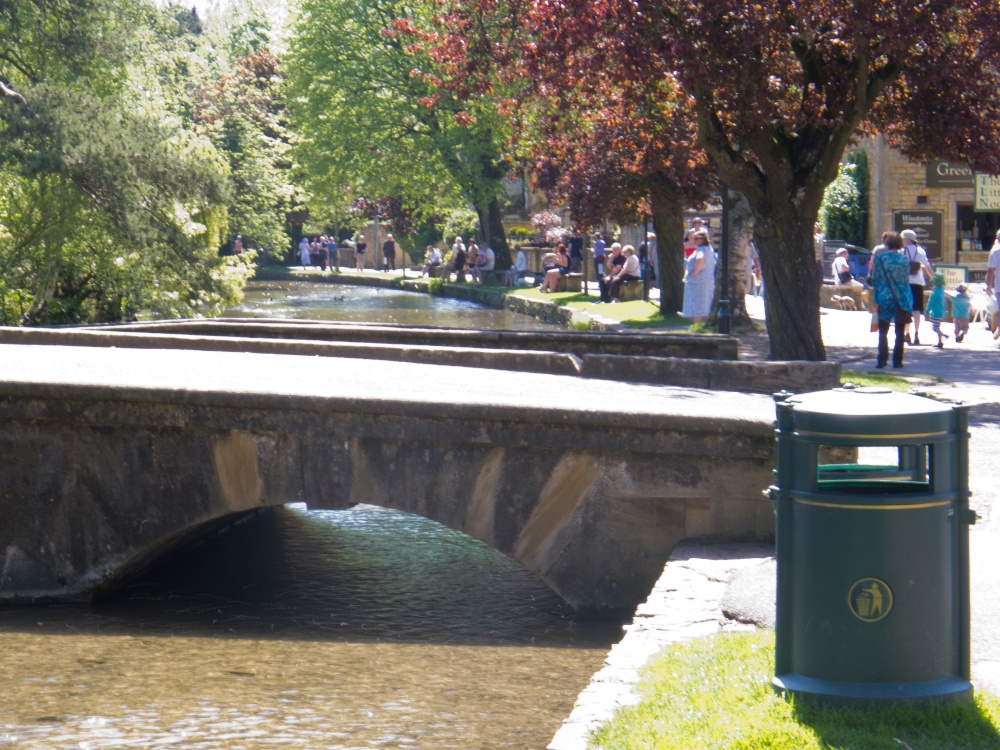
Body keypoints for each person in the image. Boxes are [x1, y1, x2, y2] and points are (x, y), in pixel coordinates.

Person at [870, 232, 913, 369]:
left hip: (884, 297)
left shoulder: (881, 259)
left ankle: (881, 360)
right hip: (901, 298)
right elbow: (906, 279)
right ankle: (898, 361)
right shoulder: (904, 260)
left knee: (883, 330)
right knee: (900, 331)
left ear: (887, 244)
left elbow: (875, 278)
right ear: (900, 244)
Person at [900, 229, 933, 345]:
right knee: (917, 310)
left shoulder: (901, 251)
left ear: (906, 239)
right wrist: (934, 279)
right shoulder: (920, 251)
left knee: (906, 309)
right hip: (918, 283)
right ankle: (917, 333)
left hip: (905, 283)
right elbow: (927, 267)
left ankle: (907, 333)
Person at [681, 228, 717, 323]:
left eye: (696, 239)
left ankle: (696, 324)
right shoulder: (710, 249)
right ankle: (706, 322)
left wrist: (696, 271)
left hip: (698, 281)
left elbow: (700, 258)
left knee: (698, 303)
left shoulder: (701, 250)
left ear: (702, 239)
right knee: (706, 302)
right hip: (707, 280)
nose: (695, 241)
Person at [925, 273, 948, 348]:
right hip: (941, 312)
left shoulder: (934, 292)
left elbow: (930, 302)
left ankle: (943, 336)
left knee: (935, 327)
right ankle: (940, 342)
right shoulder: (941, 290)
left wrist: (927, 311)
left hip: (935, 312)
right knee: (937, 326)